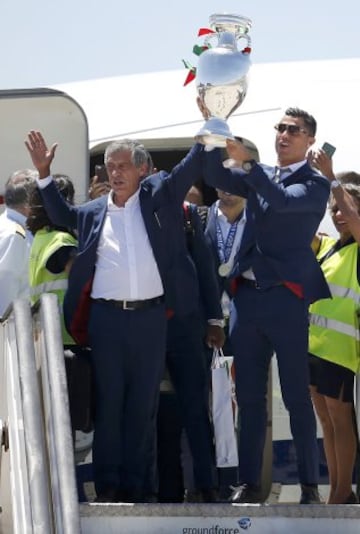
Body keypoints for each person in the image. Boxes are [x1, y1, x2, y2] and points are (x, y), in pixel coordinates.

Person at [25, 129, 214, 503]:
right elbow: (62, 213)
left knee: (144, 405)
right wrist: (44, 173)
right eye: (110, 167)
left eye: (123, 166)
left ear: (141, 170)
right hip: (106, 321)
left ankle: (138, 484)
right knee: (110, 403)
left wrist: (207, 133)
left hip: (151, 319)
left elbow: (186, 171)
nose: (115, 172)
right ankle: (108, 484)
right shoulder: (94, 211)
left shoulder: (159, 199)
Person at [201, 107, 331, 504]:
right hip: (247, 299)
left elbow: (282, 201)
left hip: (287, 300)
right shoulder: (261, 175)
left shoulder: (315, 183)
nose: (283, 135)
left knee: (295, 397)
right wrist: (214, 125)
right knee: (250, 399)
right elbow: (215, 174)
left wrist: (249, 163)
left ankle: (309, 485)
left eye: (294, 130)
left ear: (310, 140)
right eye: (280, 128)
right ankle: (247, 482)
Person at [307, 154, 360, 504]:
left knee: (341, 421)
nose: (338, 213)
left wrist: (332, 178)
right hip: (312, 347)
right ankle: (336, 490)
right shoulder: (326, 246)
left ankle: (343, 491)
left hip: (341, 351)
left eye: (344, 208)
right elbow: (295, 229)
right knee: (325, 420)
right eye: (334, 209)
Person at [0, 169, 37, 317]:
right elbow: (5, 289)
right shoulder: (14, 236)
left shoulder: (9, 226)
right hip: (11, 330)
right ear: (30, 203)